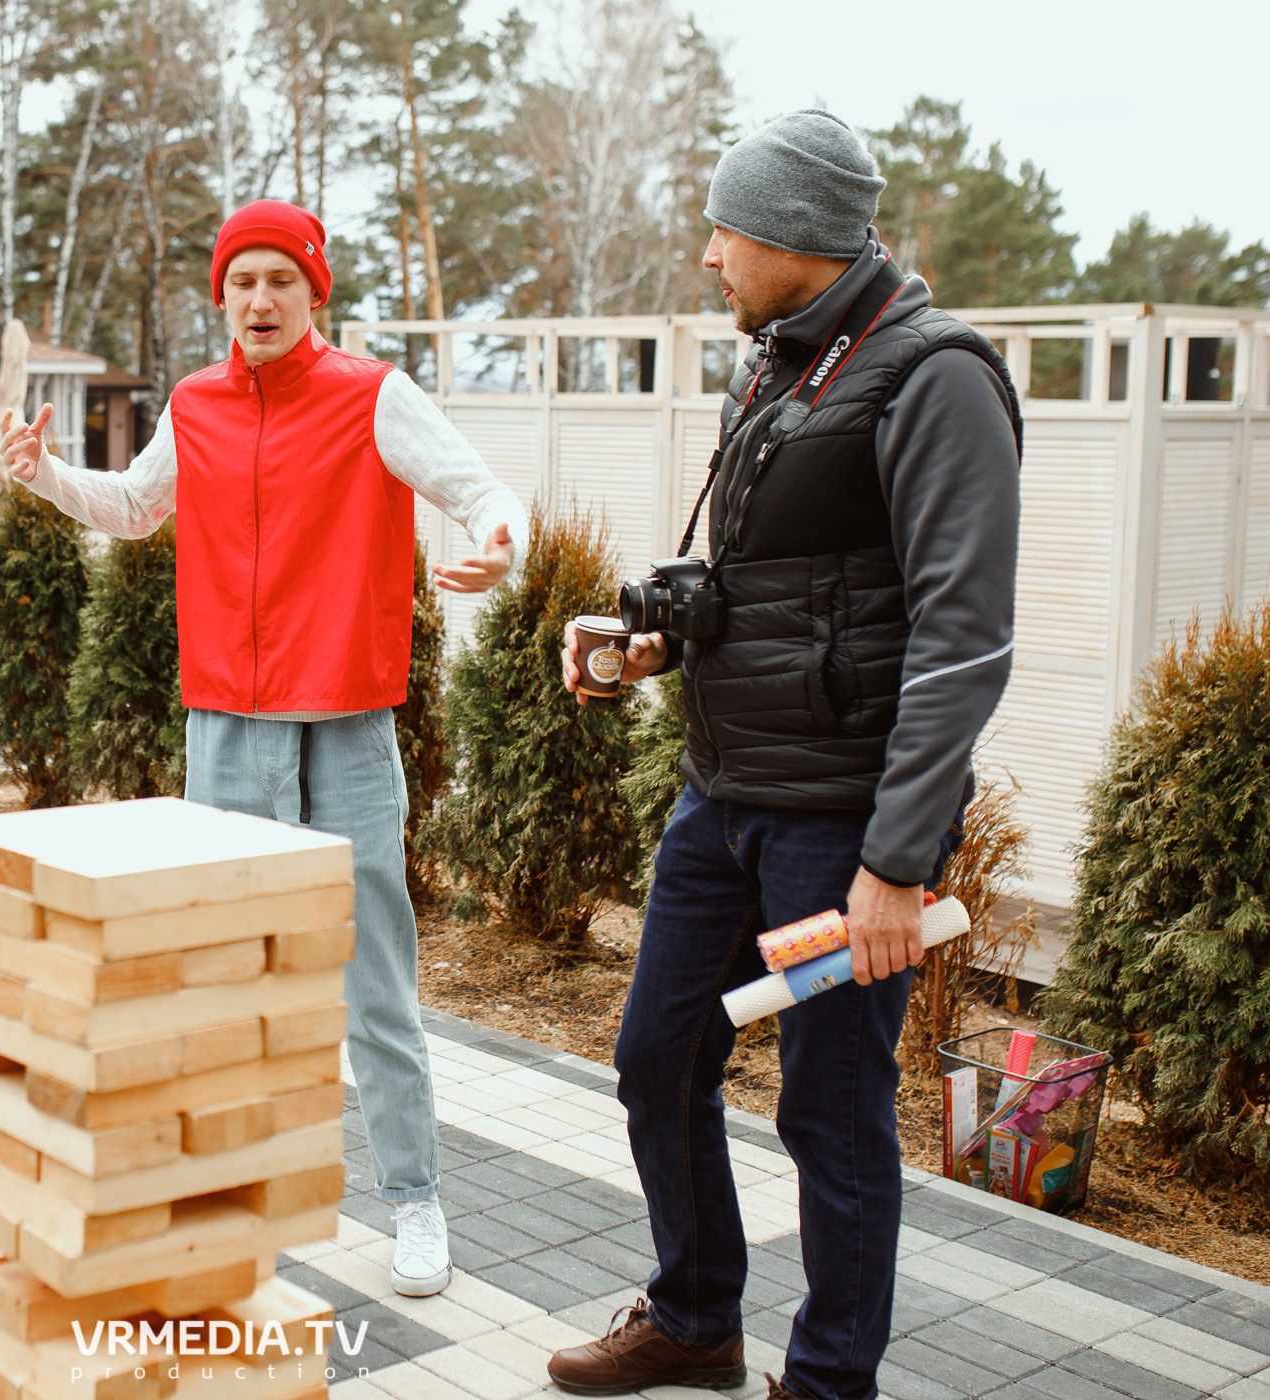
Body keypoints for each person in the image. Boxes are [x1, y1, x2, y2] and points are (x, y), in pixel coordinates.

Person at [548, 111, 1020, 1400]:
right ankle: (697, 1317)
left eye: (724, 228)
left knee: (830, 1115)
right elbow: (784, 582)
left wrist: (897, 860)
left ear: (794, 235)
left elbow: (963, 641)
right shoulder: (777, 361)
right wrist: (655, 633)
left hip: (842, 830)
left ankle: (827, 1381)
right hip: (722, 800)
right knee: (656, 1058)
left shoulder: (937, 377)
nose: (708, 254)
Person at [0, 199, 528, 1297]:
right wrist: (42, 475)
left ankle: (416, 1200)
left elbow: (481, 490)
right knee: (220, 979)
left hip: (344, 725)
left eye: (280, 279)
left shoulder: (373, 395)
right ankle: (222, 1197)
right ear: (222, 296)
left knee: (373, 980)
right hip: (225, 732)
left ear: (314, 290)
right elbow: (138, 507)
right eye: (241, 282)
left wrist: (502, 542)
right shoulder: (193, 404)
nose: (259, 300)